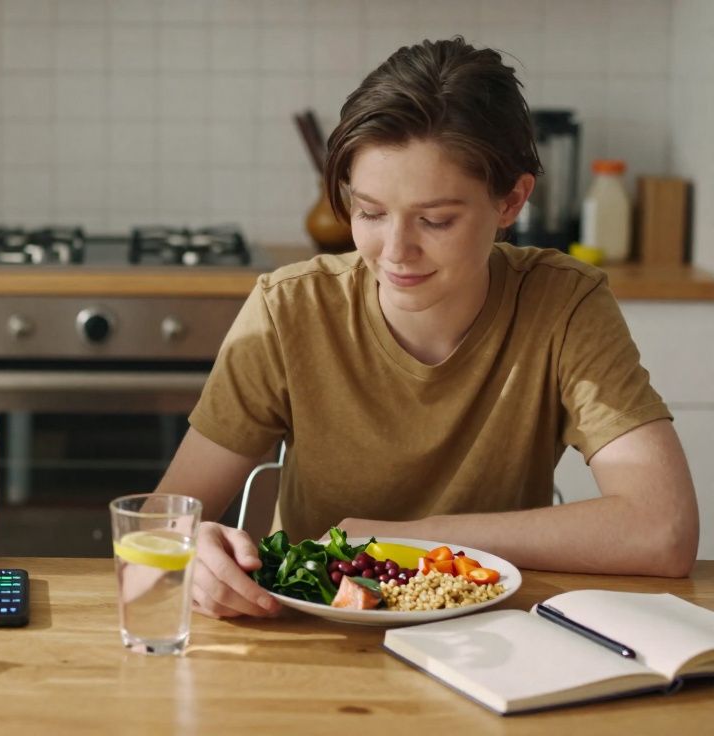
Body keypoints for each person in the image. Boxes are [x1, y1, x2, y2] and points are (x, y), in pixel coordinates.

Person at [156, 37, 699, 619]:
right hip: (315, 642)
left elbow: (661, 529)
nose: (395, 252)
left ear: (512, 201)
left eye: (435, 220)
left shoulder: (564, 304)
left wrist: (413, 537)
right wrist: (194, 554)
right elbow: (161, 525)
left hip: (497, 641)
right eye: (369, 212)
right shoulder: (289, 309)